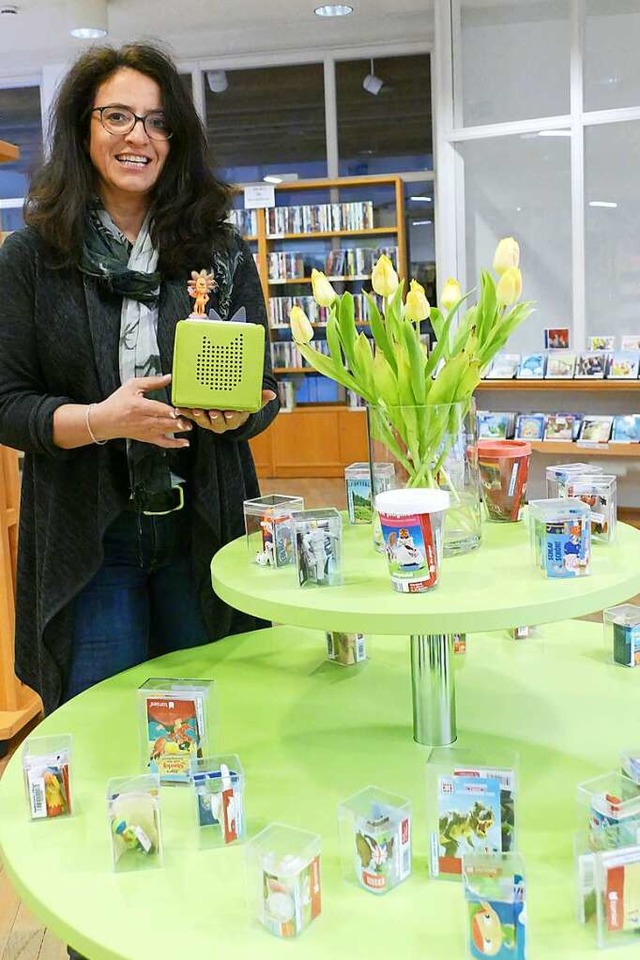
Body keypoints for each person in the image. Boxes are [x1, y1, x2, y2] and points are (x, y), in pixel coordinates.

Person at [0, 43, 279, 723]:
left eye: (157, 122)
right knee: (103, 725)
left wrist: (234, 417)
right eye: (117, 117)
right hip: (93, 538)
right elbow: (7, 406)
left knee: (218, 716)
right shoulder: (33, 256)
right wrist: (101, 420)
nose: (138, 137)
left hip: (203, 526)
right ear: (82, 128)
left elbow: (263, 386)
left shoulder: (217, 248)